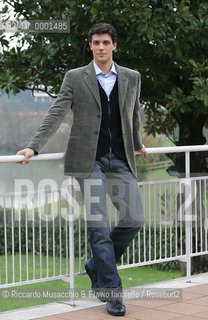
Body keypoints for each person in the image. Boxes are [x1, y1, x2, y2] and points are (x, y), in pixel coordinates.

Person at [17, 23, 147, 316]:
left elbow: (133, 113)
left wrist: (137, 144)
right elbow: (56, 112)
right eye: (95, 43)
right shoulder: (75, 77)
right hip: (88, 162)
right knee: (98, 226)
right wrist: (34, 147)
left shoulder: (131, 77)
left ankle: (94, 265)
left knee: (135, 218)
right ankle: (112, 292)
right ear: (90, 46)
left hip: (121, 159)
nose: (100, 47)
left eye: (105, 42)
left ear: (114, 45)